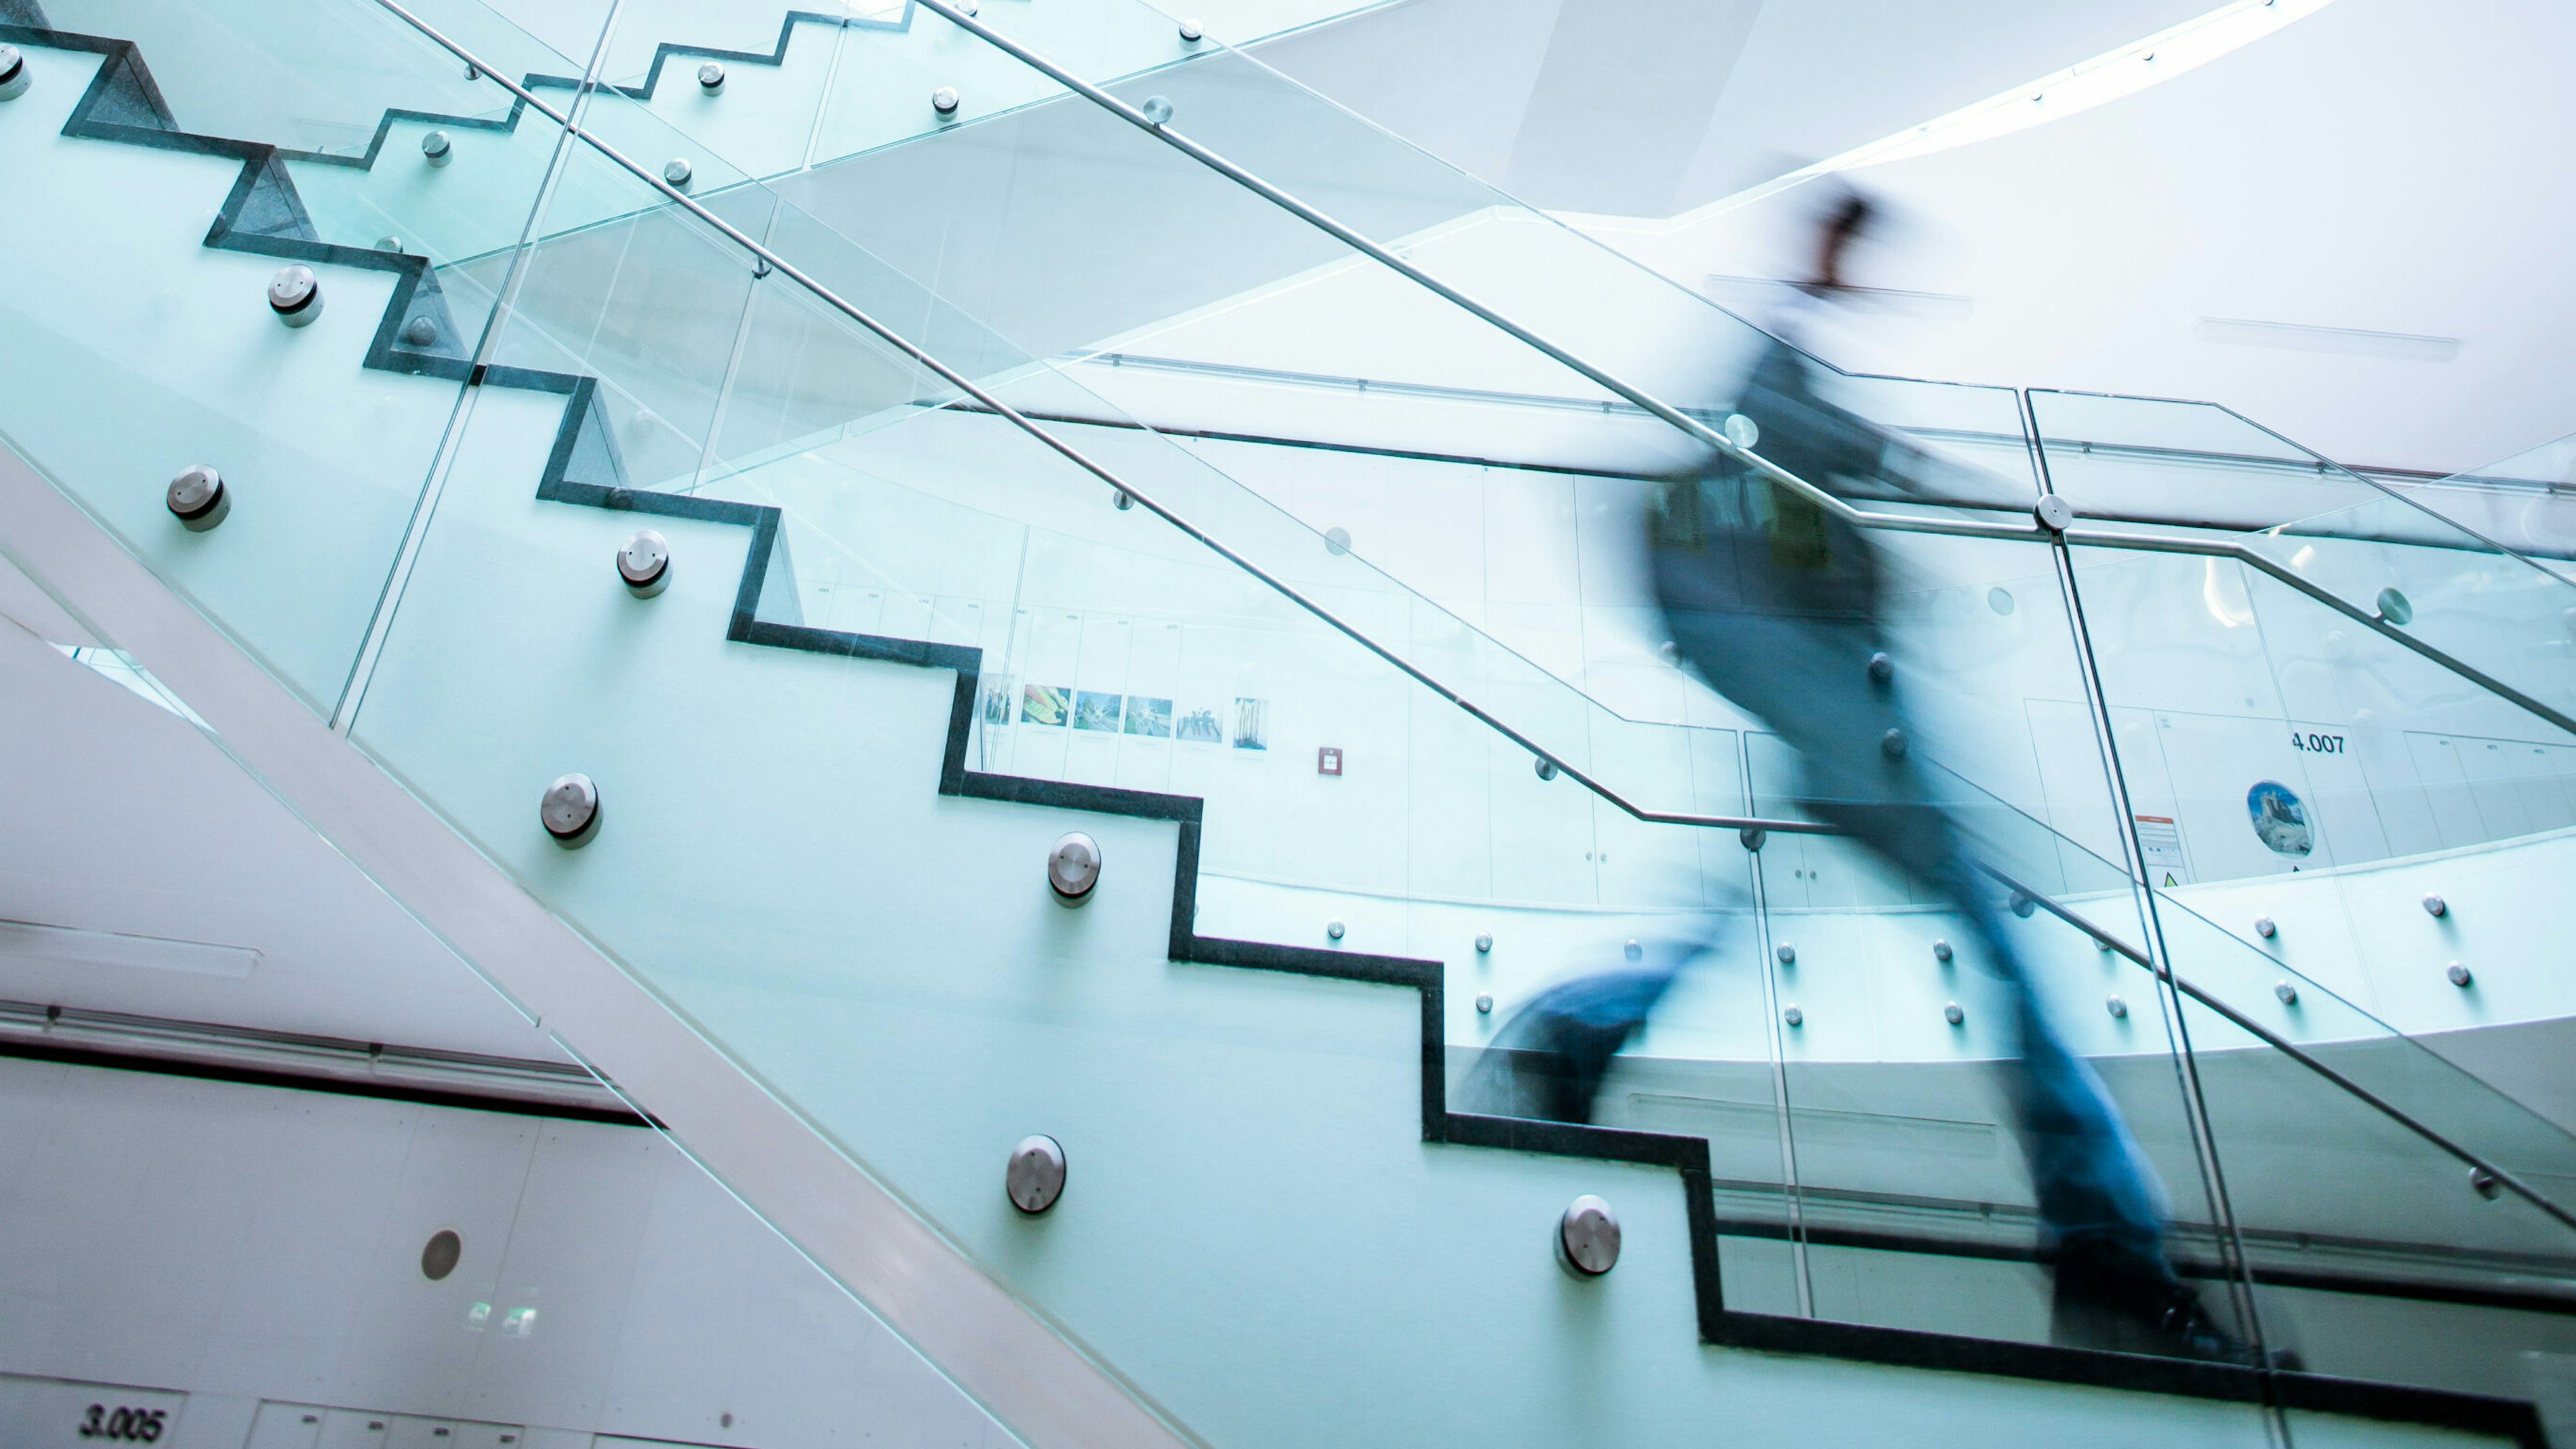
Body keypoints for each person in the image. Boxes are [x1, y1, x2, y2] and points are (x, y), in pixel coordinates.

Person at [1480, 192, 2285, 1368]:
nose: (1860, 274)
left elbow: (1816, 477)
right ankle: (2106, 1241)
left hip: (1835, 695)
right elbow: (1791, 458)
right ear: (1823, 249)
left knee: (1780, 903)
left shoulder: (1779, 374)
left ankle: (1583, 1036)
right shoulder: (1771, 373)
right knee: (2003, 940)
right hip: (1843, 699)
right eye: (1846, 253)